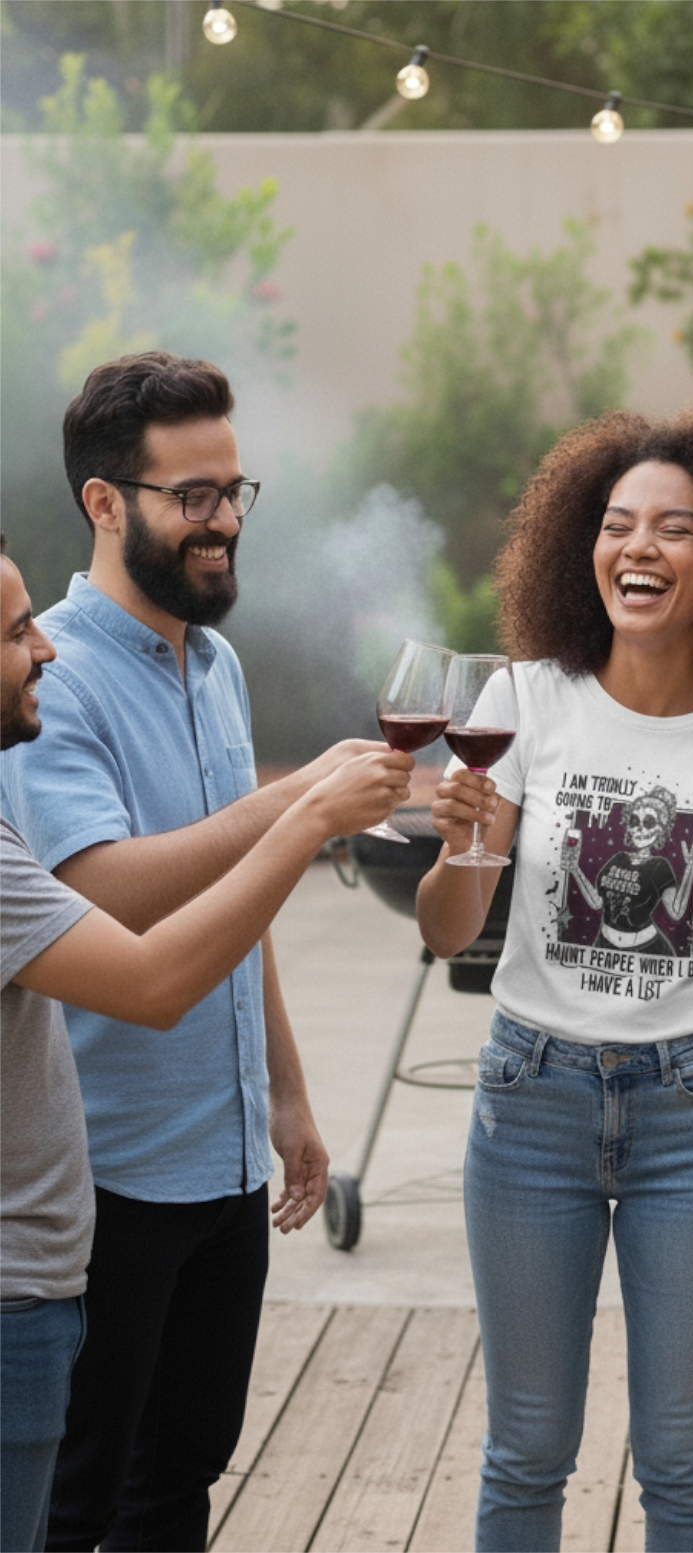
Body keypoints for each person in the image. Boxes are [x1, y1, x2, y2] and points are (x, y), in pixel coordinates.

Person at [415, 403, 693, 1552]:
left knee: (683, 1468)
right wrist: (459, 838)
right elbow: (447, 925)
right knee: (525, 1454)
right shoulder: (526, 699)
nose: (637, 548)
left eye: (674, 527)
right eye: (615, 525)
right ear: (582, 547)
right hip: (529, 1103)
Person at [0, 352, 397, 1552]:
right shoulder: (45, 679)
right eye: (191, 493)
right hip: (111, 1173)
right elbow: (101, 893)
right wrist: (295, 810)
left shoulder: (214, 664)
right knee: (77, 1500)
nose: (221, 518)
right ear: (105, 503)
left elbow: (235, 904)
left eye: (234, 489)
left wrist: (283, 1093)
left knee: (180, 1484)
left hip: (221, 1164)